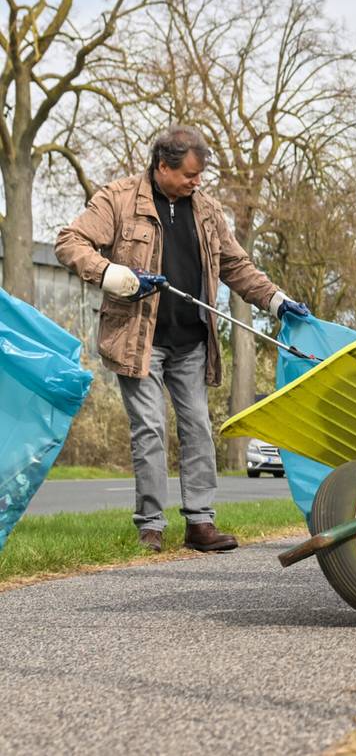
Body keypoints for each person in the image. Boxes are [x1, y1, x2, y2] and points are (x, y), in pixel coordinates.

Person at [55, 127, 310, 554]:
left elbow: (236, 265)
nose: (197, 182)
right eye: (190, 175)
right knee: (150, 428)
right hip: (138, 340)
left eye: (199, 175)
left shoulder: (206, 210)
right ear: (162, 166)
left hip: (192, 341)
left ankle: (200, 523)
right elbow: (69, 242)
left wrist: (276, 301)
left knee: (197, 427)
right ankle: (151, 526)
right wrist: (113, 275)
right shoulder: (118, 199)